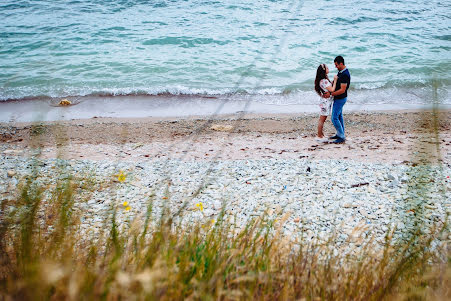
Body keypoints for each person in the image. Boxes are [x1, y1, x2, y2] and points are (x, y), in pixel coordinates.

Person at [324, 56, 351, 144]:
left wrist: (331, 94)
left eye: (336, 65)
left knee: (334, 118)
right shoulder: (340, 72)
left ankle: (341, 136)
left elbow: (342, 90)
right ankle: (340, 134)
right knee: (339, 116)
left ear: (341, 64)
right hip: (339, 98)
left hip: (341, 99)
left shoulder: (345, 74)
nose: (335, 67)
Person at [314, 64, 337, 142]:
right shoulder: (324, 80)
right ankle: (319, 135)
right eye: (327, 67)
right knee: (322, 119)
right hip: (325, 102)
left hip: (325, 101)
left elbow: (329, 88)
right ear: (324, 70)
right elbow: (332, 90)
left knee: (322, 118)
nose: (328, 68)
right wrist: (335, 80)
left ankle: (321, 134)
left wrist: (333, 82)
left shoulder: (323, 80)